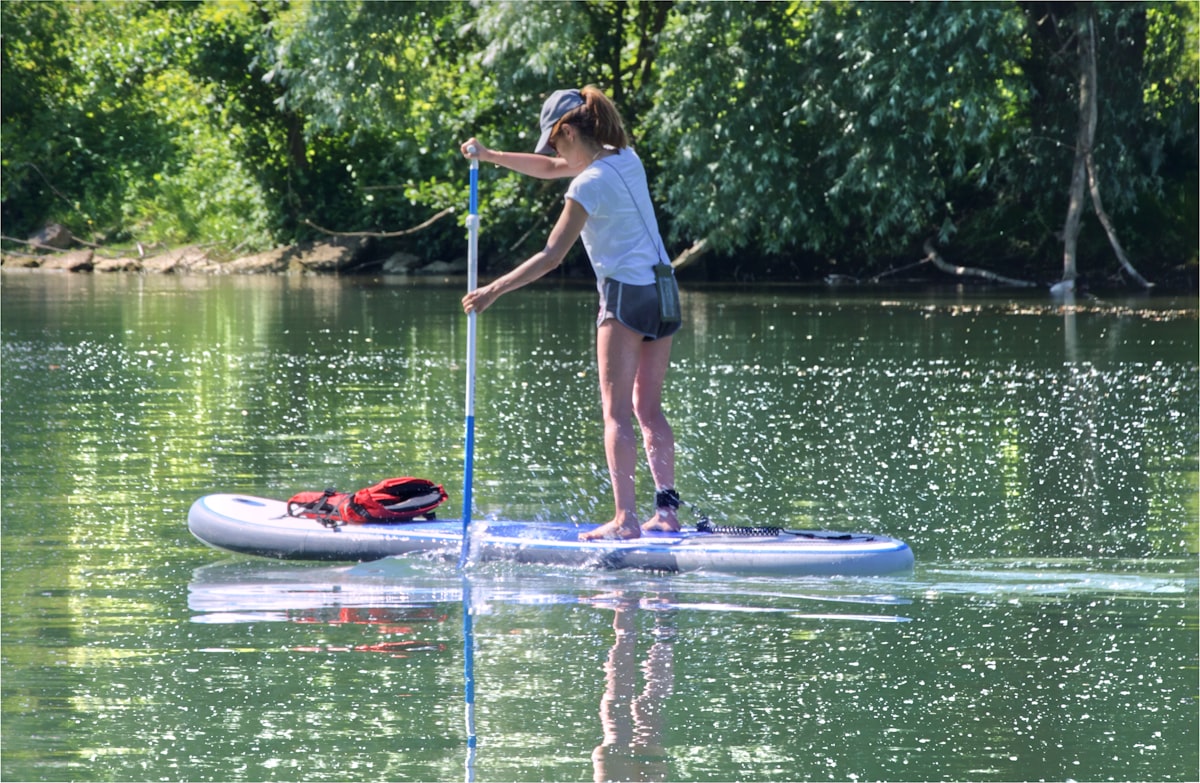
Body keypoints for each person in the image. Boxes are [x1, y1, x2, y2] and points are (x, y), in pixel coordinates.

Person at [460, 85, 682, 541]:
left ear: (566, 130)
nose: (554, 151)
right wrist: (491, 155)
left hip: (626, 297)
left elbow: (551, 256)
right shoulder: (626, 158)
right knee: (648, 409)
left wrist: (493, 290)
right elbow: (551, 168)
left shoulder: (587, 186)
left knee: (616, 413)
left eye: (554, 140)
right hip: (664, 291)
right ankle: (667, 511)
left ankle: (625, 521)